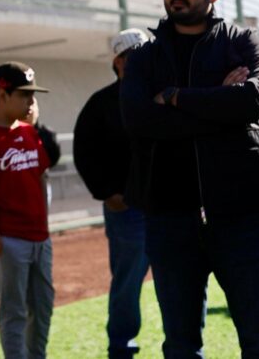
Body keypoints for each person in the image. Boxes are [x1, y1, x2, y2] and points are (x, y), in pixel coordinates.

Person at [119, 0, 259, 358]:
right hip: (169, 217)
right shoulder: (143, 58)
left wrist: (175, 97)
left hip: (244, 214)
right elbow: (139, 120)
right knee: (180, 347)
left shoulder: (246, 43)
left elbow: (251, 102)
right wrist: (218, 105)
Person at [0, 62, 55, 359]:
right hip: (9, 240)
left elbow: (41, 177)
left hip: (40, 238)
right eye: (24, 94)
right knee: (14, 312)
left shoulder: (30, 132)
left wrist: (44, 225)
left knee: (42, 307)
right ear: (3, 94)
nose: (31, 102)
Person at [73, 28, 151, 358]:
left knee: (179, 282)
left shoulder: (164, 94)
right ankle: (122, 348)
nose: (143, 61)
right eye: (135, 55)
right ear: (118, 61)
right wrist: (107, 192)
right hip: (127, 209)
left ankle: (183, 346)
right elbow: (84, 152)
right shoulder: (101, 102)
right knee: (127, 283)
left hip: (167, 206)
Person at [0, 100, 59, 300]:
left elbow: (53, 158)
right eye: (25, 99)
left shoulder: (42, 133)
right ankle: (2, 279)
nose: (30, 106)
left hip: (38, 186)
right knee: (14, 300)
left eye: (34, 102)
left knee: (39, 297)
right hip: (9, 223)